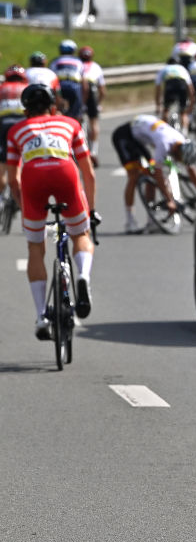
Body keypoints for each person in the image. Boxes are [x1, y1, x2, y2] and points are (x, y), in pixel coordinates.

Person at [5, 84, 97, 337]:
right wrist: (91, 210)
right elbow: (88, 172)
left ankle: (41, 317)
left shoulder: (16, 131)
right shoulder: (70, 124)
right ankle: (83, 277)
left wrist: (24, 206)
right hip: (65, 172)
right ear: (53, 107)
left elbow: (13, 179)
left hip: (33, 176)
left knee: (35, 247)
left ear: (26, 111)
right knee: (81, 234)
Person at [127, 114, 196, 224]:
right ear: (177, 152)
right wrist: (169, 200)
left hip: (149, 127)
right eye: (180, 160)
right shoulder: (164, 144)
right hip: (132, 134)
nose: (180, 162)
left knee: (162, 168)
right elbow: (157, 172)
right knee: (150, 173)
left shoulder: (182, 141)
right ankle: (147, 218)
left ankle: (166, 198)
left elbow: (190, 168)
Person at [1, 64, 29, 204]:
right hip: (22, 125)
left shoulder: (2, 87)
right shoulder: (27, 88)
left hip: (3, 124)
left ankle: (1, 197)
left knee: (3, 160)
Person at [155, 56, 196, 134]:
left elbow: (158, 89)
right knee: (183, 112)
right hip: (182, 86)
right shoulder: (182, 69)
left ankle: (164, 131)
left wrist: (158, 105)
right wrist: (192, 100)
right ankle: (184, 132)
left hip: (170, 87)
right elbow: (190, 87)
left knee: (166, 110)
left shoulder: (164, 69)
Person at [79, 46, 105, 166]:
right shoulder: (96, 66)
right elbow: (102, 90)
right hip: (92, 90)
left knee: (80, 122)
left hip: (80, 90)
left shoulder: (77, 64)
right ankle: (93, 151)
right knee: (93, 122)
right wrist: (98, 104)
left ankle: (82, 149)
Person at [50, 39, 86, 123]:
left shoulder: (55, 61)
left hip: (60, 86)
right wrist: (83, 101)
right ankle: (76, 124)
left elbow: (51, 76)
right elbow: (84, 81)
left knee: (58, 110)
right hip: (74, 87)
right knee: (76, 113)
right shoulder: (78, 61)